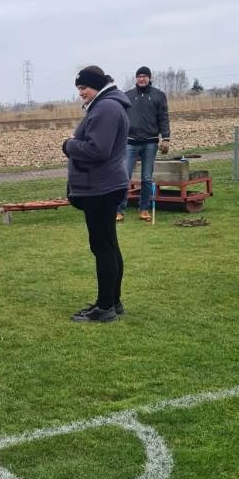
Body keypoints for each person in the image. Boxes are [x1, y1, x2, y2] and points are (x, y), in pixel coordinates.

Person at [62, 66, 130, 323]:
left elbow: (98, 150)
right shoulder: (109, 105)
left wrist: (69, 145)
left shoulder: (106, 108)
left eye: (84, 88)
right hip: (105, 185)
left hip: (101, 188)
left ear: (97, 85)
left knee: (102, 247)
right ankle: (113, 301)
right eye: (79, 88)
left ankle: (104, 308)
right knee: (109, 245)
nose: (81, 93)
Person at [118, 66, 171, 222]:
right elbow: (120, 118)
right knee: (124, 177)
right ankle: (119, 210)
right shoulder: (127, 96)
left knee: (146, 178)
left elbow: (163, 117)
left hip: (150, 143)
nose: (142, 79)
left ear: (149, 78)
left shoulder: (158, 95)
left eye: (144, 76)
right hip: (130, 143)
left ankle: (144, 209)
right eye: (139, 76)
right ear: (136, 78)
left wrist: (166, 138)